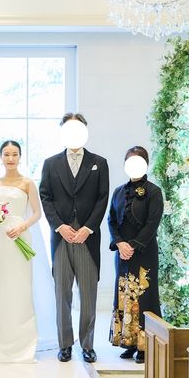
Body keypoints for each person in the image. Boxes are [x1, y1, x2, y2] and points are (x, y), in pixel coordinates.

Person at [40, 113, 109, 363]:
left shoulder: (99, 163)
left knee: (88, 294)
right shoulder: (51, 163)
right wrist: (59, 226)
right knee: (62, 294)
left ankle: (87, 345)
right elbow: (45, 197)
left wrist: (88, 228)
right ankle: (65, 344)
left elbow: (102, 198)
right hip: (61, 237)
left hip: (87, 238)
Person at [0, 141, 43, 362]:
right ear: (0, 157)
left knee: (20, 287)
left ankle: (23, 343)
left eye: (14, 154)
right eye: (6, 154)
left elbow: (37, 213)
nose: (10, 158)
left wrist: (22, 226)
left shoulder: (28, 183)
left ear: (20, 157)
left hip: (20, 236)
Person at [108, 146, 164, 364]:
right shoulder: (118, 192)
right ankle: (128, 342)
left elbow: (152, 223)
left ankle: (144, 346)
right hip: (122, 254)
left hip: (144, 253)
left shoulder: (154, 192)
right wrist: (120, 244)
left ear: (146, 164)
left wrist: (133, 245)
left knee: (144, 297)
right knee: (124, 295)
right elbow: (111, 220)